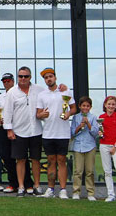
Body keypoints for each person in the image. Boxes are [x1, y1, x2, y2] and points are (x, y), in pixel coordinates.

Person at [2, 66, 44, 197]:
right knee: (20, 160)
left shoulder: (39, 90)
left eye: (26, 76)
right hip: (19, 131)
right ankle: (21, 187)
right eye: (21, 76)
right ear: (17, 77)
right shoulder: (12, 92)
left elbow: (51, 94)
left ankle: (37, 185)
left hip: (36, 130)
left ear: (30, 77)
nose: (23, 79)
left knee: (36, 159)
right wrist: (9, 130)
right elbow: (7, 112)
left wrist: (62, 89)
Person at [36, 68, 76, 199]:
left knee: (62, 160)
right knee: (51, 161)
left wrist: (68, 114)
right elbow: (38, 114)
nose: (49, 79)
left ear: (55, 77)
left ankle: (63, 190)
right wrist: (41, 114)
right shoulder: (42, 95)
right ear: (44, 80)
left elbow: (74, 108)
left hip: (63, 133)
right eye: (46, 77)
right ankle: (50, 189)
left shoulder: (65, 91)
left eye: (51, 76)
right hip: (48, 133)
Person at [0, 73, 34, 194]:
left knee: (22, 157)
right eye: (4, 81)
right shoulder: (0, 97)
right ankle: (13, 183)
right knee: (7, 157)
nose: (6, 82)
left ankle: (28, 183)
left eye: (8, 80)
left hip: (18, 129)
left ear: (13, 81)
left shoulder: (20, 93)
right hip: (4, 129)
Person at [70, 96, 99, 201]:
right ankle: (76, 192)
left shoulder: (93, 117)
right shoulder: (76, 118)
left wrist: (88, 124)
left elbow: (95, 133)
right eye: (83, 106)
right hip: (78, 146)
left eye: (87, 106)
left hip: (90, 146)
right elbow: (72, 133)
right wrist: (80, 126)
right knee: (78, 171)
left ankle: (91, 193)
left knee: (89, 171)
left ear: (90, 107)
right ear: (79, 106)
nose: (85, 108)